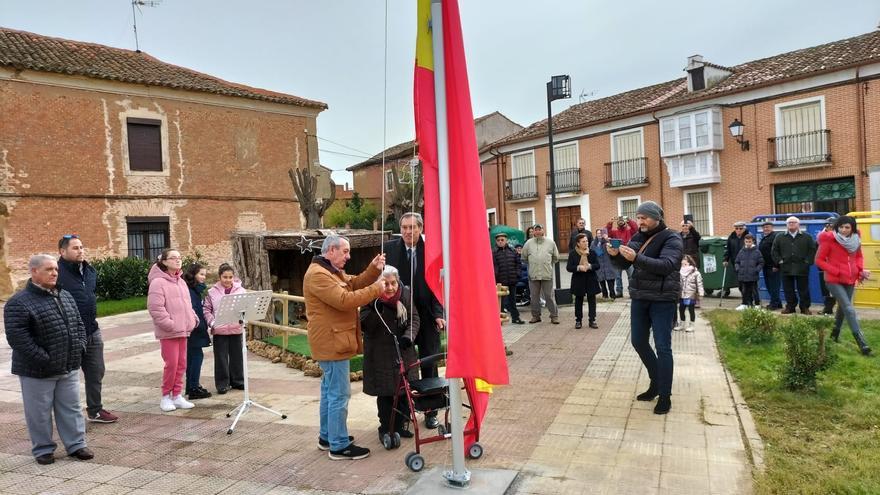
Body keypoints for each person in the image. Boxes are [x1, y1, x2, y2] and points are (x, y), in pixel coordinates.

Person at [4, 254, 94, 465]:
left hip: (68, 366)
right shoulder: (18, 303)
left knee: (71, 409)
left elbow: (79, 325)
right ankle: (43, 449)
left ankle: (76, 445)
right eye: (48, 269)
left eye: (55, 269)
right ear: (34, 272)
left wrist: (79, 347)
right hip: (37, 370)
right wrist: (45, 359)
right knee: (39, 413)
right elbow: (19, 340)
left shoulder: (65, 295)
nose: (54, 272)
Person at [305, 234, 386, 460]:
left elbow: (352, 283)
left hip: (333, 340)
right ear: (331, 250)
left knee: (329, 392)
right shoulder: (318, 275)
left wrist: (372, 269)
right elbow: (344, 300)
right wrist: (376, 289)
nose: (348, 257)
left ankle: (327, 437)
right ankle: (338, 446)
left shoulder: (329, 270)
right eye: (345, 252)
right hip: (332, 343)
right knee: (339, 395)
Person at [608, 201, 682, 415]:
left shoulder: (672, 238)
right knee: (638, 341)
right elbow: (625, 264)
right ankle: (656, 382)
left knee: (663, 347)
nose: (639, 222)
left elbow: (667, 265)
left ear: (657, 218)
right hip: (640, 297)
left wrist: (637, 258)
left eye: (644, 218)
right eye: (638, 218)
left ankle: (665, 396)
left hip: (662, 299)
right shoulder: (638, 236)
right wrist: (615, 255)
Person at [383, 212, 446, 430]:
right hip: (402, 318)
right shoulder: (389, 249)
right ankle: (406, 412)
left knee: (429, 364)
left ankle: (431, 412)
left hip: (428, 318)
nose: (409, 232)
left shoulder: (432, 249)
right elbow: (383, 282)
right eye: (405, 227)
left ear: (421, 228)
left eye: (413, 227)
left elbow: (439, 285)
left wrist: (440, 314)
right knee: (405, 367)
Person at [56, 234, 118, 424]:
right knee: (68, 376)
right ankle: (67, 415)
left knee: (96, 370)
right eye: (75, 248)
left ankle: (95, 410)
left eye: (81, 247)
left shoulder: (89, 271)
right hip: (70, 333)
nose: (80, 251)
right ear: (62, 251)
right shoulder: (56, 272)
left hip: (92, 329)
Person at [360, 266, 419, 440]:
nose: (391, 288)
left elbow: (414, 318)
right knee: (386, 393)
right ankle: (386, 428)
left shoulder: (405, 294)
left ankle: (401, 425)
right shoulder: (369, 298)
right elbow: (365, 324)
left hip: (403, 351)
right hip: (380, 353)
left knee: (404, 392)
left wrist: (409, 336)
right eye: (385, 284)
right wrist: (377, 304)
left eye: (393, 283)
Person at [148, 249, 199, 412]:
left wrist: (192, 319)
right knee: (171, 364)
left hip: (184, 330)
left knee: (181, 364)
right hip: (169, 332)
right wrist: (170, 324)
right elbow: (155, 308)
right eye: (173, 258)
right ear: (164, 261)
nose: (178, 260)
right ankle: (165, 396)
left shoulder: (181, 282)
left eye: (179, 258)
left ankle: (177, 395)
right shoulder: (158, 282)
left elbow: (187, 305)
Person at [814, 216, 872, 356]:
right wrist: (836, 271)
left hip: (850, 279)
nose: (844, 230)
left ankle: (834, 335)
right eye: (841, 227)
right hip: (833, 279)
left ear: (852, 228)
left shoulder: (855, 240)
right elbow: (819, 260)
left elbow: (859, 256)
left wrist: (860, 270)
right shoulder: (829, 240)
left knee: (842, 308)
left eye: (847, 227)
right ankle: (862, 343)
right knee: (849, 308)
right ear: (837, 227)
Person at [203, 263, 247, 395]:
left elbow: (245, 307)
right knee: (221, 358)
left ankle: (238, 381)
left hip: (235, 328)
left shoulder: (241, 291)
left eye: (230, 277)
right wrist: (212, 323)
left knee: (237, 357)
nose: (228, 280)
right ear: (219, 277)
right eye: (225, 277)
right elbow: (206, 309)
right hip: (219, 330)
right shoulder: (211, 292)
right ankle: (222, 384)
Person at [771, 216, 817, 315]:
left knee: (803, 289)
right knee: (788, 289)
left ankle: (804, 308)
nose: (791, 224)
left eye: (794, 222)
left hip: (802, 268)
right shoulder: (779, 237)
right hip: (785, 267)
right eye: (789, 222)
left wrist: (807, 262)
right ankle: (790, 307)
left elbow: (812, 250)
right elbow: (774, 251)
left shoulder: (807, 237)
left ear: (798, 224)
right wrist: (779, 261)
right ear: (786, 225)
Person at [183, 263, 212, 400]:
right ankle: (193, 387)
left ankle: (191, 386)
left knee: (192, 358)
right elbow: (193, 310)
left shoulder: (195, 290)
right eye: (201, 274)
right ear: (193, 275)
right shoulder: (191, 291)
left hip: (195, 328)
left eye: (205, 275)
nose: (203, 277)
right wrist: (199, 326)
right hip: (194, 329)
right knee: (196, 358)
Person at [521, 223, 559, 324]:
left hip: (547, 274)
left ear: (543, 230)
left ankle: (554, 316)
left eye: (539, 229)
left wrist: (546, 264)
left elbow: (555, 257)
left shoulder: (551, 242)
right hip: (533, 275)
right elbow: (524, 258)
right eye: (535, 230)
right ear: (533, 232)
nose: (537, 231)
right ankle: (536, 316)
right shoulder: (528, 243)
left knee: (549, 296)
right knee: (534, 297)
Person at [567, 233, 600, 329]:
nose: (586, 243)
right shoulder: (573, 253)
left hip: (591, 279)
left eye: (587, 241)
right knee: (578, 300)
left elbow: (597, 265)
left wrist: (590, 266)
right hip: (578, 279)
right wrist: (578, 267)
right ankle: (578, 320)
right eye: (583, 241)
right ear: (578, 243)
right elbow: (569, 267)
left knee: (592, 300)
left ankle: (592, 320)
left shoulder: (592, 252)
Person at [493, 232, 524, 324]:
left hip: (512, 279)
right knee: (501, 302)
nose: (500, 242)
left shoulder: (512, 251)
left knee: (512, 301)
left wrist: (517, 274)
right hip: (500, 281)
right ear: (496, 241)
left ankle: (516, 318)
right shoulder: (494, 252)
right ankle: (500, 320)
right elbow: (492, 266)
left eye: (502, 240)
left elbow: (518, 264)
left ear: (506, 240)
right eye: (498, 240)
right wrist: (496, 276)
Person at [606, 216, 638, 297]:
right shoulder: (614, 232)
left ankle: (631, 291)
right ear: (617, 223)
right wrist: (610, 223)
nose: (620, 222)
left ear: (624, 222)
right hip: (617, 258)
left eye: (622, 220)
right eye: (619, 221)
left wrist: (629, 220)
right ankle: (619, 292)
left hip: (628, 257)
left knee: (631, 276)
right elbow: (607, 232)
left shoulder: (629, 231)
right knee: (618, 277)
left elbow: (635, 229)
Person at [723, 221, 752, 301]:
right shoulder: (732, 237)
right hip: (736, 264)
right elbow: (728, 249)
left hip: (748, 264)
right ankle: (745, 300)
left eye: (740, 228)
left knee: (747, 284)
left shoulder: (748, 237)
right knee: (740, 284)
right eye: (736, 228)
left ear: (744, 229)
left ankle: (749, 301)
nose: (738, 230)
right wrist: (725, 259)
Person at [674, 255, 703, 332]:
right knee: (681, 309)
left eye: (685, 260)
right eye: (683, 259)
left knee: (691, 309)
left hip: (691, 295)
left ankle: (692, 325)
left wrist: (701, 294)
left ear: (689, 262)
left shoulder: (696, 273)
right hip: (682, 295)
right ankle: (682, 324)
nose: (683, 261)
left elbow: (699, 284)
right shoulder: (679, 272)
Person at [735, 234, 764, 310]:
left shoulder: (757, 252)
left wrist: (756, 270)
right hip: (743, 274)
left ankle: (757, 304)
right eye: (746, 241)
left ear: (753, 241)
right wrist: (738, 269)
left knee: (754, 290)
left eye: (749, 241)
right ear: (744, 241)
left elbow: (761, 262)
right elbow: (737, 261)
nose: (748, 243)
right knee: (744, 290)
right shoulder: (741, 251)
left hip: (753, 275)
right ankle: (745, 304)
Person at [758, 222, 783, 310]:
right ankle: (778, 303)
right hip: (766, 266)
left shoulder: (775, 237)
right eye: (764, 227)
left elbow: (778, 251)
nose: (766, 229)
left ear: (772, 228)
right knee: (769, 286)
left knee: (774, 286)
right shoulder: (764, 238)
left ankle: (774, 304)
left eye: (767, 227)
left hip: (773, 267)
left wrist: (776, 265)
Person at [591, 228, 619, 300]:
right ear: (596, 235)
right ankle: (605, 295)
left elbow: (615, 250)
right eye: (598, 233)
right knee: (602, 282)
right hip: (599, 265)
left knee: (611, 282)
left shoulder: (609, 241)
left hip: (609, 264)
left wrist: (608, 242)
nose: (599, 235)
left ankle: (612, 295)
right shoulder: (593, 243)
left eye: (601, 233)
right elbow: (592, 253)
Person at [817, 220, 837, 315]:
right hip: (823, 266)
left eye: (832, 225)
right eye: (829, 225)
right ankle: (828, 308)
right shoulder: (820, 236)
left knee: (833, 289)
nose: (830, 227)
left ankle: (829, 309)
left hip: (835, 267)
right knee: (825, 289)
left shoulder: (839, 237)